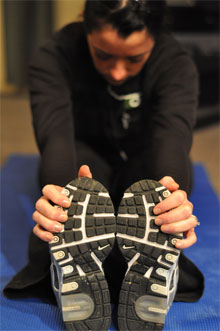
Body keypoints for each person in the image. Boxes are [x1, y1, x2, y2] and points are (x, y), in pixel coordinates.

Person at [4, 0, 204, 330]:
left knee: (157, 189)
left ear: (155, 36)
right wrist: (59, 205)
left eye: (134, 59)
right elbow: (55, 138)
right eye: (104, 54)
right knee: (78, 189)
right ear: (84, 20)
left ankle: (142, 260)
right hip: (85, 156)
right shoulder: (53, 56)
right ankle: (74, 257)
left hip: (144, 155)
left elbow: (174, 138)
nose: (117, 72)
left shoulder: (177, 63)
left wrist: (175, 198)